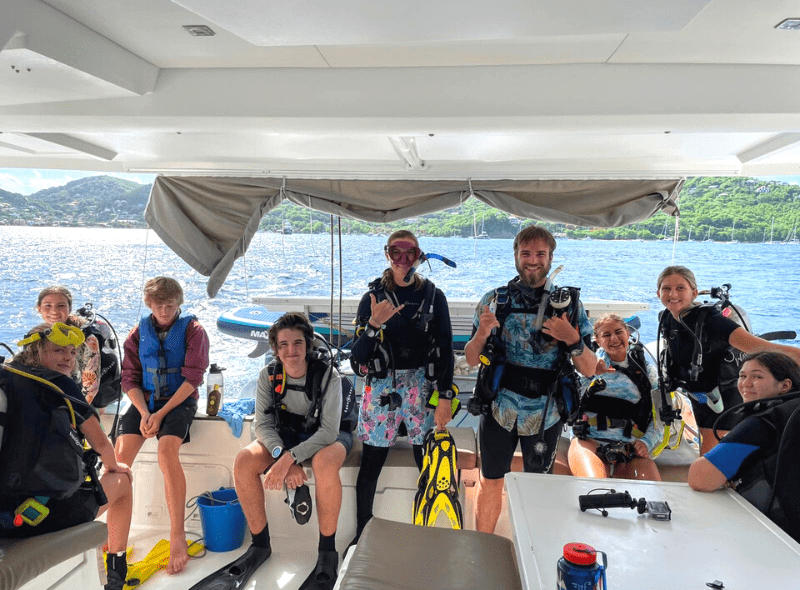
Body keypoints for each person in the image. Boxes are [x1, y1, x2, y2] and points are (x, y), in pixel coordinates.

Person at [190, 312, 352, 590]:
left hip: (330, 437)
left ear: (308, 345)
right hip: (286, 437)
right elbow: (262, 426)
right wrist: (282, 456)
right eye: (284, 344)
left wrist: (290, 458)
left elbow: (328, 432)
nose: (291, 351)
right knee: (243, 461)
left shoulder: (329, 377)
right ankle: (260, 545)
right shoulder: (268, 376)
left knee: (325, 464)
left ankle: (327, 553)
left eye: (298, 343)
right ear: (275, 349)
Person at [465, 225, 597, 534]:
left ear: (551, 258)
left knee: (537, 486)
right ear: (516, 256)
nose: (533, 260)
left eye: (540, 254)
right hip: (500, 408)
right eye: (526, 253)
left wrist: (573, 339)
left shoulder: (569, 305)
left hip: (545, 413)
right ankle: (482, 548)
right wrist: (483, 333)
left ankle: (533, 552)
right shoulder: (494, 300)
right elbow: (471, 359)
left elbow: (590, 368)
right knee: (491, 479)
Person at [0, 323, 133, 590]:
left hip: (3, 513)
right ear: (36, 351)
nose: (68, 358)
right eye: (58, 350)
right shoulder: (60, 385)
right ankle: (116, 575)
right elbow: (100, 443)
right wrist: (114, 466)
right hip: (39, 515)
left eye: (72, 353)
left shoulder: (5, 377)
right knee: (123, 483)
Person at [349, 230, 455, 543]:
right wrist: (373, 325)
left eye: (410, 253)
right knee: (371, 463)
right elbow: (356, 361)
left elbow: (447, 349)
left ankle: (426, 532)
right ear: (387, 254)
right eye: (397, 252)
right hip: (381, 386)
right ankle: (361, 534)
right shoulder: (372, 298)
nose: (403, 261)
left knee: (428, 462)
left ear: (420, 256)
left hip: (421, 385)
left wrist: (445, 397)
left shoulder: (434, 297)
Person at [114, 277, 209, 575]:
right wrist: (144, 412)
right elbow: (129, 377)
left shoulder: (195, 332)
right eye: (158, 306)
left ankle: (177, 535)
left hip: (178, 401)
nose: (165, 311)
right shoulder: (137, 333)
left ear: (179, 303)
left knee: (167, 455)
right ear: (149, 305)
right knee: (117, 464)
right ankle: (115, 536)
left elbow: (193, 378)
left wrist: (161, 413)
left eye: (170, 305)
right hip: (145, 401)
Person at [656, 266, 800, 455]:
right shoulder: (667, 317)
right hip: (700, 396)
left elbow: (765, 348)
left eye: (680, 288)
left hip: (724, 397)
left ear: (694, 293)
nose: (672, 294)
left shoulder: (713, 321)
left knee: (712, 460)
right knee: (707, 453)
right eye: (666, 288)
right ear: (658, 293)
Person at [688, 352, 800, 543]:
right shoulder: (792, 411)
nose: (746, 384)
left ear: (785, 385)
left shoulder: (763, 422)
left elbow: (700, 478)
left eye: (757, 376)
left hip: (777, 533)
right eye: (742, 376)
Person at [567, 314, 661, 481]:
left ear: (628, 334)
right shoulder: (587, 366)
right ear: (597, 340)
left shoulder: (647, 372)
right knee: (595, 485)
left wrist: (646, 442)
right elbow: (571, 405)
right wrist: (592, 373)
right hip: (589, 439)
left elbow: (659, 416)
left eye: (619, 332)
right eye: (606, 335)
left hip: (629, 445)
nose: (614, 338)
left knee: (651, 494)